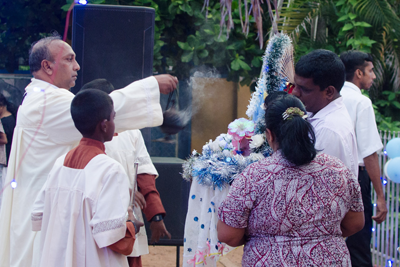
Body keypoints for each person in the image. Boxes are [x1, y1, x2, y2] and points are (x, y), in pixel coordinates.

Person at [0, 34, 178, 267]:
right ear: (47, 66)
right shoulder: (47, 102)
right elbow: (104, 107)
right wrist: (151, 85)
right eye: (69, 59)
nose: (77, 66)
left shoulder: (39, 97)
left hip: (52, 214)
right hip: (56, 220)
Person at [217, 94, 365, 266]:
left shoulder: (253, 176)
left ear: (269, 135)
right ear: (306, 128)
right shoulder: (339, 170)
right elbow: (355, 223)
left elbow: (228, 235)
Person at [31, 89, 144, 267]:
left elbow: (39, 214)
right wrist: (132, 225)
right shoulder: (111, 169)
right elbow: (111, 236)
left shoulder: (59, 164)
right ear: (104, 125)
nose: (115, 124)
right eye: (113, 118)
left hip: (57, 258)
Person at [81, 79, 171, 267]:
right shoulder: (79, 137)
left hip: (128, 218)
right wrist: (124, 190)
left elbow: (144, 175)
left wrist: (155, 215)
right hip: (92, 217)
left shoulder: (132, 132)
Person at [340, 50, 388, 267]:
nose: (374, 76)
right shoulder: (361, 102)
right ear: (358, 73)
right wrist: (380, 195)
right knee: (358, 243)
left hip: (327, 177)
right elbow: (369, 154)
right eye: (370, 71)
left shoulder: (330, 97)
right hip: (356, 179)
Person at [292, 49, 358, 177]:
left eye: (304, 89)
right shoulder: (316, 112)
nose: (295, 93)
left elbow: (319, 186)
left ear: (329, 92)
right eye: (295, 85)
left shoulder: (328, 130)